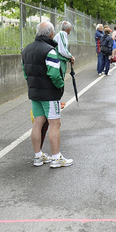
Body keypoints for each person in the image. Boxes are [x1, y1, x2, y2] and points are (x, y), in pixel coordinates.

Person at [22, 21, 73, 168]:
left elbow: (26, 73)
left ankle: (38, 156)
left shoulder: (26, 50)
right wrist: (61, 86)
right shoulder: (50, 50)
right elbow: (54, 74)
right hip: (49, 94)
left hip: (34, 92)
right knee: (55, 124)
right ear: (51, 34)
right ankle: (56, 158)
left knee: (38, 123)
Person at [53, 21, 75, 109]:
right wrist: (71, 57)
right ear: (69, 29)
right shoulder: (61, 35)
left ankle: (57, 101)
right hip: (59, 61)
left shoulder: (62, 35)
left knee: (60, 80)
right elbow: (62, 50)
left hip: (61, 60)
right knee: (59, 81)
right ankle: (56, 102)